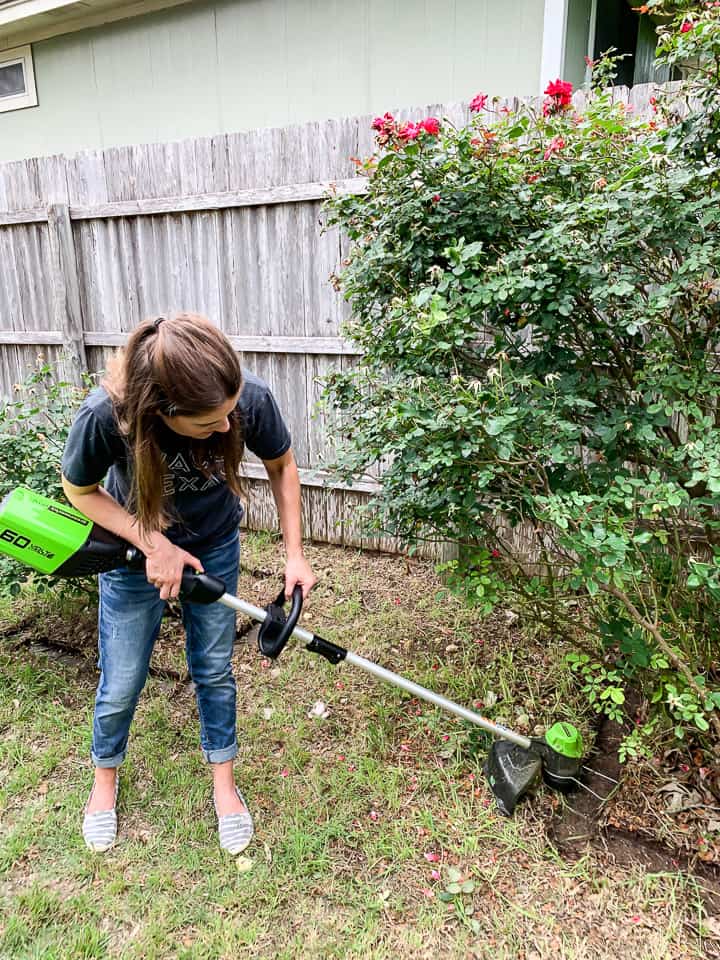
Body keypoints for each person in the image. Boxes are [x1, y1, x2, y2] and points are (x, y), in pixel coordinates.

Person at [61, 313, 317, 855]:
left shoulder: (246, 399)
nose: (227, 429)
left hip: (215, 544)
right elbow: (78, 489)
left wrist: (294, 555)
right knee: (123, 676)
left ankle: (225, 784)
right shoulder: (106, 416)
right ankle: (103, 782)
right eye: (209, 423)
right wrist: (154, 544)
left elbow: (282, 466)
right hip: (135, 553)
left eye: (230, 415)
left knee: (213, 667)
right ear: (162, 412)